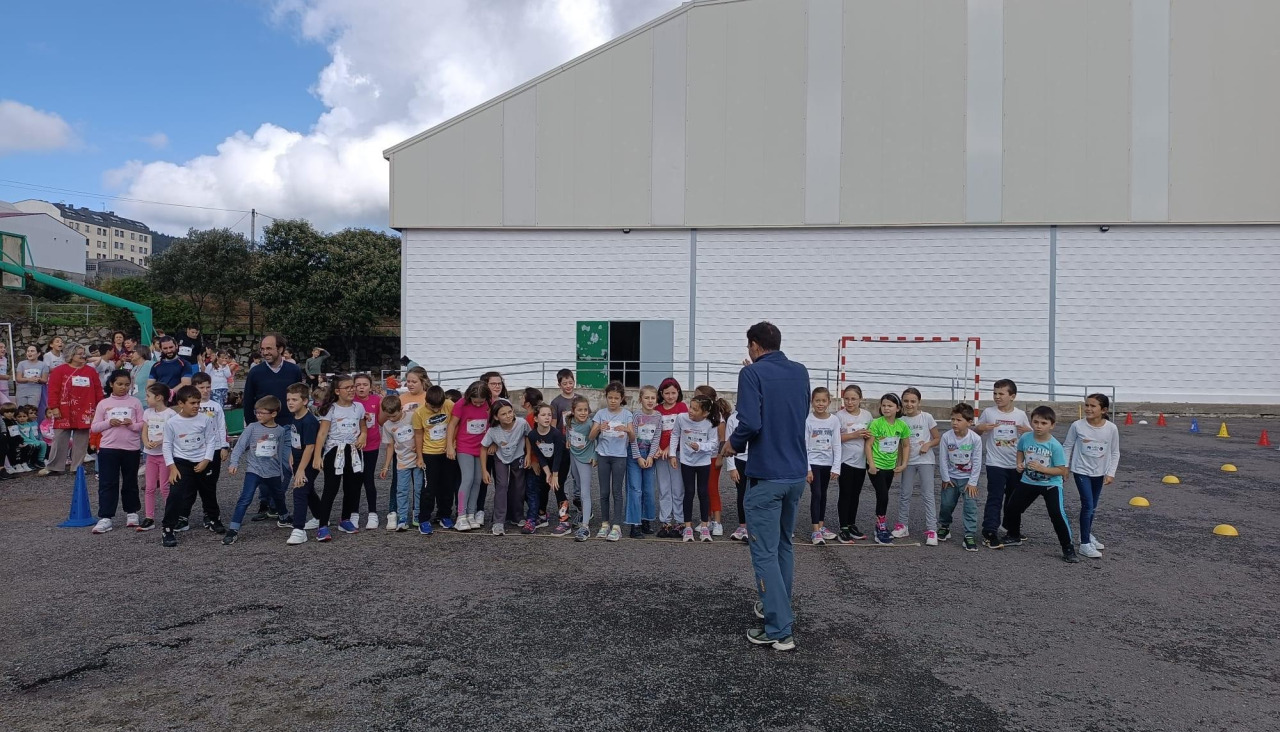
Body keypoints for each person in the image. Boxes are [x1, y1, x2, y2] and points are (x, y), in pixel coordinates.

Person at [722, 322, 808, 652]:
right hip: (795, 473)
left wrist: (732, 443)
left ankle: (779, 629)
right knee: (784, 545)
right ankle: (776, 605)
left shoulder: (751, 374)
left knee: (764, 553)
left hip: (766, 476)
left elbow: (751, 422)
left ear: (755, 345)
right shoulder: (800, 371)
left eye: (749, 346)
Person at [240, 334, 305, 519]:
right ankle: (265, 503)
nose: (265, 352)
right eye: (262, 349)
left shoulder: (293, 370)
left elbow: (300, 397)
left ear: (280, 349)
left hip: (288, 426)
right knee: (264, 464)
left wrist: (300, 421)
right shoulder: (255, 372)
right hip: (263, 427)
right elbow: (248, 400)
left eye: (269, 348)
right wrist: (251, 427)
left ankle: (275, 502)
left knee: (287, 465)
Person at [1005, 406, 1078, 563]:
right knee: (1012, 507)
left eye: (1044, 423)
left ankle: (1068, 548)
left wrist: (1042, 469)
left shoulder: (1055, 446)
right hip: (1029, 480)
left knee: (1056, 514)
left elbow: (1062, 470)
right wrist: (1019, 463)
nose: (1039, 426)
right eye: (1036, 422)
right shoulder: (1026, 438)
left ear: (1052, 425)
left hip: (1051, 484)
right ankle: (1014, 535)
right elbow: (1020, 450)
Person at [223, 396, 291, 545]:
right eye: (257, 412)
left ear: (273, 414)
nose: (258, 415)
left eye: (262, 413)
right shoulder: (252, 428)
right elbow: (240, 445)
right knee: (245, 498)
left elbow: (280, 453)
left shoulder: (280, 431)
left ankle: (284, 517)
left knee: (279, 496)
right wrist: (234, 462)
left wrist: (282, 471)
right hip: (254, 470)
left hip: (273, 471)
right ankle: (233, 529)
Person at [160, 385, 221, 547]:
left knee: (208, 492)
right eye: (192, 403)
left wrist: (206, 460)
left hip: (202, 461)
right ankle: (168, 528)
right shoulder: (172, 422)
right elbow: (167, 445)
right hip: (181, 462)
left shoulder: (205, 419)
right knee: (176, 494)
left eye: (198, 402)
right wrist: (172, 467)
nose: (196, 406)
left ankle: (213, 519)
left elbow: (211, 440)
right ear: (181, 403)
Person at [974, 379, 1031, 549]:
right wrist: (981, 428)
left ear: (1012, 396)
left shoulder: (1020, 415)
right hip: (995, 463)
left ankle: (1010, 528)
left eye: (1001, 394)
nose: (997, 397)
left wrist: (1028, 431)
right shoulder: (989, 412)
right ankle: (990, 531)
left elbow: (1031, 435)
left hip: (1016, 464)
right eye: (995, 393)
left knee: (1013, 499)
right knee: (995, 497)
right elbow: (976, 431)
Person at [1063, 394, 1120, 559]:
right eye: (1087, 405)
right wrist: (1065, 467)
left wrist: (1111, 473)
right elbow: (1067, 446)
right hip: (1081, 471)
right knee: (1087, 505)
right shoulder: (1077, 426)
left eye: (1093, 406)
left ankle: (1085, 533)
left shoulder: (1111, 428)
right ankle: (1085, 544)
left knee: (1093, 506)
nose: (1088, 409)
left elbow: (1115, 452)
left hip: (1100, 473)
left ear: (1104, 410)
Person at [312, 374, 367, 538]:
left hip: (354, 451)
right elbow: (322, 433)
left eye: (353, 387)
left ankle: (345, 518)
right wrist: (317, 456)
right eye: (347, 388)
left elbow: (363, 426)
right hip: (334, 451)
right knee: (331, 489)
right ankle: (323, 525)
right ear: (337, 391)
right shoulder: (331, 409)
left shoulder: (359, 407)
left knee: (352, 488)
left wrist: (363, 435)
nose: (352, 390)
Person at [89, 370, 144, 533]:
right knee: (107, 482)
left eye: (127, 384)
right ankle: (105, 517)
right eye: (119, 384)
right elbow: (94, 427)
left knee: (130, 481)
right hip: (108, 448)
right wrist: (108, 423)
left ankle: (132, 512)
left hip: (131, 448)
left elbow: (142, 424)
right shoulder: (103, 403)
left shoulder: (135, 402)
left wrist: (131, 425)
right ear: (111, 384)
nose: (123, 387)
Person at [39, 344, 103, 477]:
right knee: (60, 438)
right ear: (71, 355)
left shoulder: (90, 371)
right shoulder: (59, 371)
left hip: (85, 409)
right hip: (64, 409)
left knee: (82, 440)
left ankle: (77, 467)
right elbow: (53, 390)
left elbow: (98, 389)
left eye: (83, 353)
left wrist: (100, 406)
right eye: (79, 353)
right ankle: (54, 466)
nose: (83, 356)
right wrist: (54, 407)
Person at [895, 387, 941, 545]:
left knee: (928, 495)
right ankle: (903, 526)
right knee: (905, 494)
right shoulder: (900, 421)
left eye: (913, 401)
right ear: (902, 402)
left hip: (925, 461)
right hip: (908, 462)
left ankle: (932, 530)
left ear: (919, 402)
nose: (909, 404)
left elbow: (937, 438)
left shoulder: (927, 417)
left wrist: (928, 445)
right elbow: (900, 445)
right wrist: (900, 464)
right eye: (906, 401)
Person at [590, 381, 633, 542]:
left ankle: (616, 526)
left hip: (619, 456)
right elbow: (591, 437)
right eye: (610, 397)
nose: (613, 401)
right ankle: (604, 524)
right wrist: (598, 428)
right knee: (603, 492)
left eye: (616, 398)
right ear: (606, 397)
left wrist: (627, 429)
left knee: (617, 491)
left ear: (622, 398)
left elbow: (633, 437)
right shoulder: (600, 413)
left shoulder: (627, 414)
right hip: (603, 455)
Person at [937, 403, 984, 552]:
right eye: (953, 419)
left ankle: (969, 535)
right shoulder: (946, 437)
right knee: (946, 504)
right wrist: (945, 478)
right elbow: (943, 459)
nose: (954, 423)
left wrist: (973, 482)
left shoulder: (975, 439)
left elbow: (977, 461)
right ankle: (944, 526)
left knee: (970, 507)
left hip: (968, 480)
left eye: (959, 420)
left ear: (969, 422)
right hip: (951, 478)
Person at [673, 393, 719, 543]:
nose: (690, 411)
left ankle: (705, 526)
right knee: (689, 492)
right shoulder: (681, 418)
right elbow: (675, 435)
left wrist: (700, 446)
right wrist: (672, 454)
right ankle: (687, 527)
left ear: (705, 413)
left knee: (703, 492)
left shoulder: (710, 423)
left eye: (695, 409)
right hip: (687, 461)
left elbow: (714, 444)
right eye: (690, 407)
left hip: (703, 462)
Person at [866, 393, 911, 545]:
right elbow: (868, 445)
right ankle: (881, 526)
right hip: (876, 466)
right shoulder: (876, 423)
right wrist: (871, 465)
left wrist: (903, 464)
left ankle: (880, 524)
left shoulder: (901, 425)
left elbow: (906, 445)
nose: (886, 408)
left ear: (898, 408)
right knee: (883, 495)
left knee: (883, 495)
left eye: (890, 406)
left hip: (890, 467)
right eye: (884, 405)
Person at [481, 399, 530, 536]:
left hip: (518, 455)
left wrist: (528, 454)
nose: (508, 416)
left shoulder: (522, 423)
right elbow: (483, 448)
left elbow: (528, 436)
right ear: (496, 417)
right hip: (501, 457)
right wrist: (484, 470)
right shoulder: (493, 431)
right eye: (503, 414)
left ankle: (517, 516)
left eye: (510, 412)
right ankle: (498, 521)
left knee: (518, 486)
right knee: (501, 485)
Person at [446, 380, 490, 532]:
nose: (478, 405)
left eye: (481, 402)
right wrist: (450, 445)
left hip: (481, 447)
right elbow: (452, 425)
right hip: (464, 446)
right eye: (475, 401)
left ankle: (471, 513)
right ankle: (461, 515)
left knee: (478, 480)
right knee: (468, 478)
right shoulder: (461, 404)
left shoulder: (489, 404)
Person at [412, 385, 455, 530]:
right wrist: (419, 457)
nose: (436, 410)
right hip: (429, 453)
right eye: (433, 407)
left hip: (447, 452)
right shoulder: (419, 413)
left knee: (447, 486)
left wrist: (451, 444)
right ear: (426, 401)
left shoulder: (449, 405)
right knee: (429, 488)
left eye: (439, 407)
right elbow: (418, 435)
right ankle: (424, 519)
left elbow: (455, 424)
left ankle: (444, 515)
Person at [286, 383, 323, 545]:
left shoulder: (309, 421)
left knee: (299, 490)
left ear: (305, 401)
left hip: (309, 461)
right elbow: (296, 439)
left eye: (294, 399)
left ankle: (298, 529)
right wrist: (291, 454)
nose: (290, 402)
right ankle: (321, 516)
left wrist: (301, 470)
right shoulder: (295, 416)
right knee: (308, 490)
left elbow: (310, 447)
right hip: (297, 459)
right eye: (288, 399)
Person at [379, 392, 423, 533]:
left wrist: (420, 451)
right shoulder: (387, 426)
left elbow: (421, 433)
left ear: (401, 409)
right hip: (402, 461)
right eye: (388, 416)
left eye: (394, 416)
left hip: (417, 459)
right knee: (402, 490)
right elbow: (390, 446)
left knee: (419, 488)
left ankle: (418, 515)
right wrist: (386, 466)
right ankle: (402, 517)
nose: (391, 419)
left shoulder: (412, 417)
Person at [835, 384, 872, 543]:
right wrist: (853, 435)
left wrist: (869, 436)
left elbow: (871, 436)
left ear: (860, 399)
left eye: (853, 399)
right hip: (845, 461)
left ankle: (851, 524)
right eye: (847, 399)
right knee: (845, 494)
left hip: (861, 462)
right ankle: (843, 527)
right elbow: (835, 438)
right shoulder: (839, 416)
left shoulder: (867, 415)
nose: (850, 402)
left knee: (855, 495)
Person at [804, 387, 841, 546]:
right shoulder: (807, 419)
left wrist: (836, 467)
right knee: (816, 494)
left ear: (829, 402)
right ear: (812, 402)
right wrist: (807, 468)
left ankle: (821, 525)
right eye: (817, 401)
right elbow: (804, 445)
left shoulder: (834, 420)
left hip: (827, 463)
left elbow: (837, 444)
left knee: (824, 494)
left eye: (823, 401)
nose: (820, 404)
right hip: (813, 463)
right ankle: (815, 530)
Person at [525, 403, 568, 536]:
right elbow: (539, 455)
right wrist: (547, 473)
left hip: (561, 463)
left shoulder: (556, 434)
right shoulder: (532, 435)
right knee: (543, 486)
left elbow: (559, 456)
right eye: (543, 415)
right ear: (536, 418)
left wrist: (554, 475)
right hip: (547, 463)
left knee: (557, 487)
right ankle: (542, 515)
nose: (547, 417)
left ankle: (565, 522)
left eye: (549, 415)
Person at [626, 385, 662, 539]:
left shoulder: (658, 416)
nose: (650, 400)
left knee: (648, 490)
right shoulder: (636, 416)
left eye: (653, 398)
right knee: (635, 489)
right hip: (635, 455)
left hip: (649, 455)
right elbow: (632, 438)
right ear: (640, 399)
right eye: (646, 398)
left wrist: (651, 456)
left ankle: (646, 519)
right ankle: (635, 524)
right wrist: (638, 457)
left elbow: (656, 437)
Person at [654, 377, 688, 537]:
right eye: (667, 393)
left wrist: (670, 448)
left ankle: (679, 521)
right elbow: (654, 431)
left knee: (678, 488)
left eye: (673, 393)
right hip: (660, 454)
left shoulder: (682, 408)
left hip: (677, 453)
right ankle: (666, 521)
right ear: (661, 393)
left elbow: (683, 431)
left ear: (678, 393)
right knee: (663, 488)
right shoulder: (657, 410)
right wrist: (658, 448)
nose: (670, 396)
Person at [140, 383, 175, 532]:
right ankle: (149, 517)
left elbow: (173, 434)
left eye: (148, 396)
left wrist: (160, 442)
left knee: (165, 487)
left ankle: (170, 516)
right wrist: (146, 442)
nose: (146, 399)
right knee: (149, 487)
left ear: (159, 397)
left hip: (165, 456)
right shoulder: (148, 412)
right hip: (151, 456)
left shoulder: (170, 414)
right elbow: (144, 431)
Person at [694, 385, 726, 536]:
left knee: (712, 488)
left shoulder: (718, 417)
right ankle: (706, 520)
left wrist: (720, 456)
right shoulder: (700, 415)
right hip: (702, 456)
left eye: (698, 396)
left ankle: (717, 522)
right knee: (703, 489)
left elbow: (722, 439)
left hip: (713, 457)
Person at [353, 373, 384, 530]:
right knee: (354, 480)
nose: (361, 388)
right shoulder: (350, 401)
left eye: (365, 384)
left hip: (372, 445)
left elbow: (381, 421)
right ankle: (353, 513)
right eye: (358, 385)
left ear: (370, 387)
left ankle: (373, 513)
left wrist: (384, 404)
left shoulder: (376, 400)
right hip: (353, 446)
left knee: (368, 478)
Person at [565, 396, 597, 542]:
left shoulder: (590, 424)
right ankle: (583, 513)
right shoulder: (569, 420)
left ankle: (585, 527)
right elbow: (569, 431)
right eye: (580, 410)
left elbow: (598, 439)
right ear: (573, 411)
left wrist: (595, 456)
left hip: (586, 459)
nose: (583, 413)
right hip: (574, 456)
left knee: (585, 492)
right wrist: (567, 440)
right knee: (577, 486)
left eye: (585, 410)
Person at [725, 405, 750, 541]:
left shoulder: (759, 416)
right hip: (739, 460)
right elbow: (728, 442)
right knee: (742, 493)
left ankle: (755, 526)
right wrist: (731, 467)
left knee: (757, 494)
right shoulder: (733, 419)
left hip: (756, 460)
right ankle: (743, 526)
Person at [15, 405, 47, 470]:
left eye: (24, 416)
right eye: (19, 417)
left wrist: (35, 441)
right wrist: (33, 442)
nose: (22, 418)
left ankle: (40, 460)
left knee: (43, 443)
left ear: (27, 417)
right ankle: (29, 462)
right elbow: (21, 437)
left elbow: (31, 435)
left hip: (30, 440)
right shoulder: (17, 425)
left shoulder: (28, 424)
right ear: (15, 418)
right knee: (32, 445)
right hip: (23, 442)